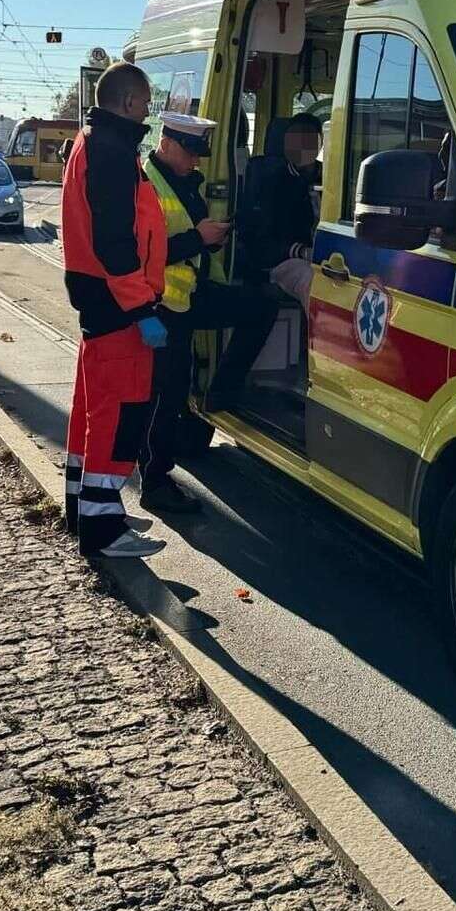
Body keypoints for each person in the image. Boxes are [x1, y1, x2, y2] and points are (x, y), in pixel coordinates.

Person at [139, 110, 280, 515]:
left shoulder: (184, 181)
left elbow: (185, 239)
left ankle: (222, 391)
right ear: (165, 145)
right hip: (161, 305)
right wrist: (196, 239)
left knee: (261, 305)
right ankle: (154, 482)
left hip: (191, 295)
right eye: (190, 151)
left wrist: (211, 241)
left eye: (200, 153)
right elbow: (139, 253)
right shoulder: (145, 185)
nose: (196, 160)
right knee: (163, 394)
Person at [60, 63, 173, 559]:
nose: (148, 110)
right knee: (119, 411)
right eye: (146, 102)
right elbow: (117, 243)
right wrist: (142, 306)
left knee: (93, 405)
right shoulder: (112, 151)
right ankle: (103, 527)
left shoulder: (94, 142)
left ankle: (84, 507)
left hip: (100, 299)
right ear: (129, 102)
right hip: (118, 303)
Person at [237, 113, 322, 304]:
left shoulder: (333, 179)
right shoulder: (272, 182)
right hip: (287, 261)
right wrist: (301, 251)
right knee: (315, 283)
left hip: (331, 258)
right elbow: (260, 241)